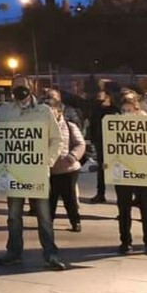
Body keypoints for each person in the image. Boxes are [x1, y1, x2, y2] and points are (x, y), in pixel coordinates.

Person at [0, 76, 66, 271]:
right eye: (16, 87)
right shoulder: (4, 111)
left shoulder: (44, 111)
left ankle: (51, 254)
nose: (19, 90)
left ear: (31, 88)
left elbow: (56, 140)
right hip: (14, 172)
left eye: (23, 87)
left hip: (38, 173)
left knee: (44, 216)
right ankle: (13, 252)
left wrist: (47, 162)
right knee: (13, 216)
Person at [113, 98, 147, 256]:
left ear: (137, 110)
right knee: (124, 209)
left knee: (146, 208)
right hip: (123, 172)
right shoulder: (114, 127)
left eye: (129, 110)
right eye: (123, 110)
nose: (126, 113)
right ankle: (125, 242)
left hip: (144, 171)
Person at [46, 98, 86, 233]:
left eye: (51, 112)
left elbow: (80, 144)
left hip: (68, 169)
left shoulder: (69, 126)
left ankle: (75, 221)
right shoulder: (41, 127)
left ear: (59, 112)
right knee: (50, 199)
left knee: (69, 198)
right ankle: (47, 222)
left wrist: (72, 157)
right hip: (48, 169)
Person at [89, 90, 119, 203]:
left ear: (108, 96)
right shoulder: (97, 108)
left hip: (113, 142)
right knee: (101, 168)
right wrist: (93, 139)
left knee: (117, 167)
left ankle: (121, 195)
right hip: (100, 141)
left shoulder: (115, 109)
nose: (98, 97)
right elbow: (93, 124)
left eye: (100, 95)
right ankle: (100, 193)